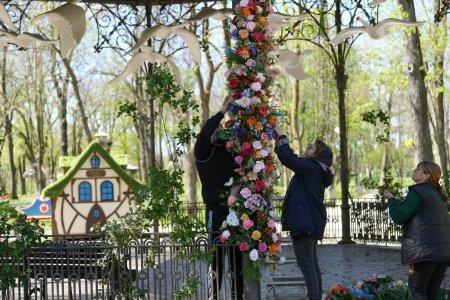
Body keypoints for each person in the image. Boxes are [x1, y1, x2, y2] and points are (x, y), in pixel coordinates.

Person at [273, 127, 334, 300]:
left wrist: (282, 137)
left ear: (318, 155)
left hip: (305, 222)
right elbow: (289, 159)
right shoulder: (315, 169)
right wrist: (279, 142)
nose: (307, 147)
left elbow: (289, 159)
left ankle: (314, 297)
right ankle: (316, 295)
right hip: (311, 221)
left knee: (306, 263)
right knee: (311, 263)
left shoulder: (311, 167)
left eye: (311, 147)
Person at [194, 101, 243, 300]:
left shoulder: (228, 151)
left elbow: (238, 173)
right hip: (215, 210)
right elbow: (205, 133)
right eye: (217, 127)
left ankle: (236, 296)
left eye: (221, 127)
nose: (220, 129)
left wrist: (235, 191)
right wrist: (223, 111)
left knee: (237, 257)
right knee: (217, 257)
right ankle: (213, 296)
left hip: (235, 210)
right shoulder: (203, 151)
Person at [384, 161, 450, 300]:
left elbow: (400, 216)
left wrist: (392, 200)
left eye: (418, 169)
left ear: (426, 175)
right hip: (442, 253)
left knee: (417, 291)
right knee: (431, 294)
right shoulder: (439, 195)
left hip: (424, 253)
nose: (414, 170)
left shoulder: (418, 192)